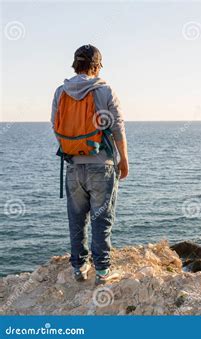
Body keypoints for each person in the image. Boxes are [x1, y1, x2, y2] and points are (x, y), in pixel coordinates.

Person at [50, 45, 129, 285]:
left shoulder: (60, 91)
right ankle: (103, 271)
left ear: (75, 64)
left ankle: (79, 268)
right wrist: (123, 159)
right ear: (96, 66)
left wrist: (74, 148)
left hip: (73, 166)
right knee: (101, 218)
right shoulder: (104, 91)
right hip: (100, 165)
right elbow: (117, 128)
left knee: (76, 219)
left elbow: (56, 125)